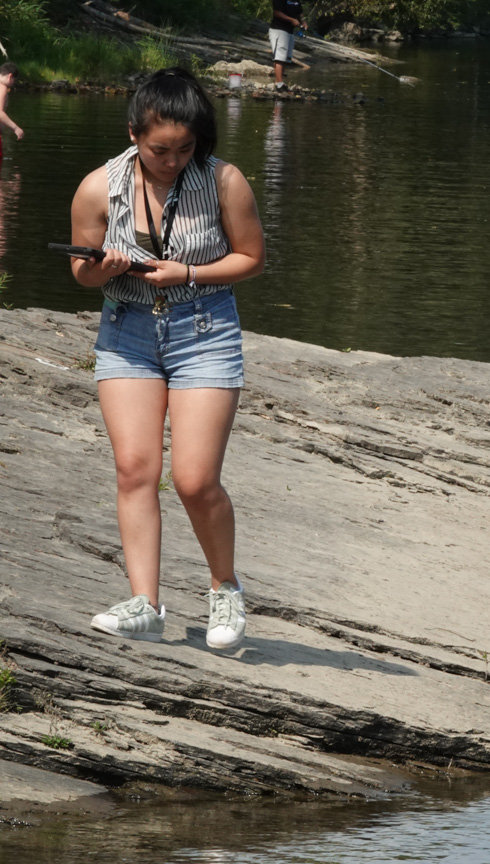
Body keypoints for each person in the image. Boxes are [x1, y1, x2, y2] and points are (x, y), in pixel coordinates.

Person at [68, 68, 265, 650]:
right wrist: (99, 269)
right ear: (133, 133)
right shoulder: (97, 188)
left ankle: (225, 588)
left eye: (185, 148)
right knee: (135, 470)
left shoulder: (224, 180)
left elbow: (251, 257)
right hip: (126, 330)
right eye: (160, 150)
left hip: (204, 329)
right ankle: (145, 605)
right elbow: (80, 271)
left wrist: (190, 272)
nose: (173, 160)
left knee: (195, 479)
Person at [269, 0, 306, 91]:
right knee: (279, 58)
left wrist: (303, 21)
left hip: (290, 32)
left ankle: (279, 83)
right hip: (278, 30)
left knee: (285, 59)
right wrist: (292, 20)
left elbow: (300, 12)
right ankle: (279, 84)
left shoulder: (296, 1)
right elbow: (277, 13)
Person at [0, 62, 24, 164]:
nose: (13, 84)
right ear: (10, 76)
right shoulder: (2, 88)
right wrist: (16, 128)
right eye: (14, 80)